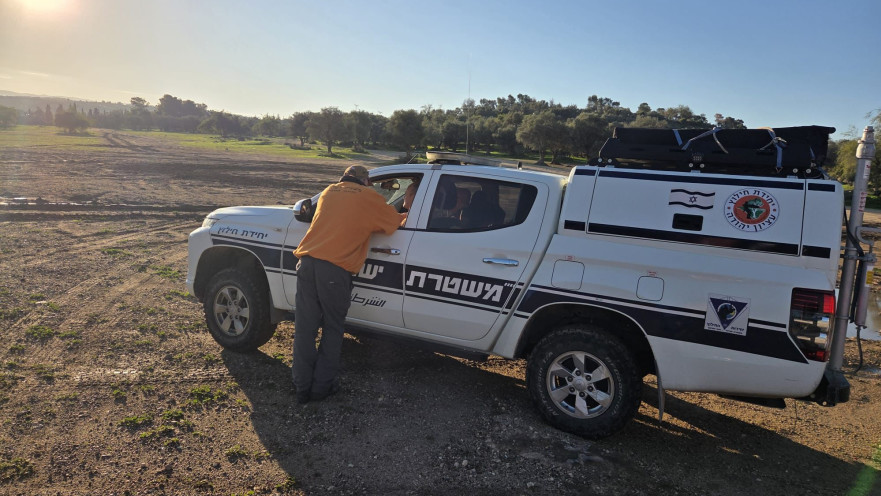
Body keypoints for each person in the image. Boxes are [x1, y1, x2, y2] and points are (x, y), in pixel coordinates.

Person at [292, 165, 405, 404]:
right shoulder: (370, 198)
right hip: (334, 271)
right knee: (332, 329)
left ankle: (302, 388)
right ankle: (322, 388)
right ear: (366, 181)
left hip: (307, 264)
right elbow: (394, 222)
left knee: (305, 329)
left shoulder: (328, 191)